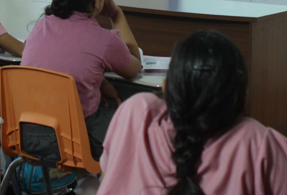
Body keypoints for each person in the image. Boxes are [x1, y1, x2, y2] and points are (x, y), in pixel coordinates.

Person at [97, 30, 287, 195]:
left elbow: (108, 178)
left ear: (166, 85)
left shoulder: (137, 111)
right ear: (241, 93)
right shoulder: (256, 140)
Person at [21, 0, 142, 160]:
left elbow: (57, 66)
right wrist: (116, 14)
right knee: (135, 128)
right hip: (72, 140)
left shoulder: (40, 26)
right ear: (97, 0)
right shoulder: (104, 40)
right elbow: (134, 67)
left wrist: (100, 82)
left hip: (27, 135)